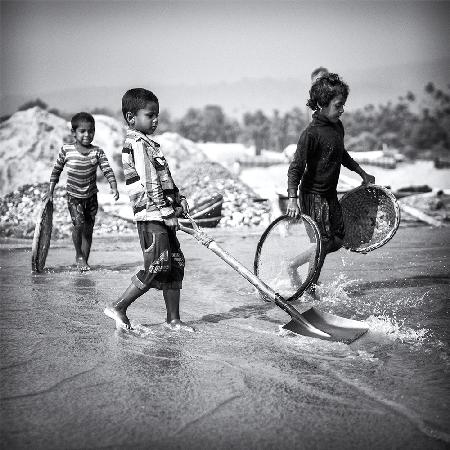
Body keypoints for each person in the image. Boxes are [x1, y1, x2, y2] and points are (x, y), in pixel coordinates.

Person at [103, 88, 193, 332]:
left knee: (175, 265)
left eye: (157, 115)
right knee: (156, 267)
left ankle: (173, 319)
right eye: (149, 115)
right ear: (131, 118)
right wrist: (166, 212)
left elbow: (165, 179)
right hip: (152, 217)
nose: (155, 120)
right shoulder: (137, 144)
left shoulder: (150, 144)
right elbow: (150, 183)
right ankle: (119, 307)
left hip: (163, 214)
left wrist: (178, 200)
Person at [286, 73, 375, 294]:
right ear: (322, 105)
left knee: (337, 239)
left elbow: (341, 154)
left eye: (343, 104)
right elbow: (295, 167)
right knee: (321, 243)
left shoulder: (337, 127)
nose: (342, 109)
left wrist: (361, 172)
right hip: (312, 195)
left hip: (329, 195)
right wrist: (292, 199)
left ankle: (294, 266)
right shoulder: (311, 134)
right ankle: (309, 288)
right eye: (338, 105)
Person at [48, 112, 119, 271]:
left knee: (88, 229)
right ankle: (79, 255)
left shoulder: (97, 152)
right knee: (78, 225)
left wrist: (113, 186)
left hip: (91, 196)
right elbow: (56, 171)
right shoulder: (66, 150)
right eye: (82, 131)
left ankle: (84, 262)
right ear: (73, 133)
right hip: (74, 196)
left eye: (91, 131)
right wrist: (50, 191)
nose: (87, 135)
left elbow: (107, 169)